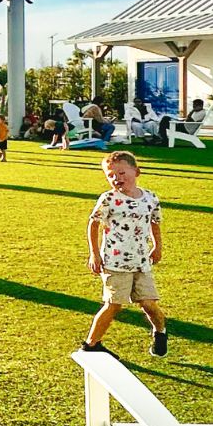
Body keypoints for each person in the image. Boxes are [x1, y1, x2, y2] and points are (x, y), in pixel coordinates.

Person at [83, 151, 168, 357]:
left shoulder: (150, 198)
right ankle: (91, 344)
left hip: (141, 260)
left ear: (136, 171)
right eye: (110, 175)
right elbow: (93, 224)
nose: (116, 178)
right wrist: (94, 254)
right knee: (113, 305)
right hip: (114, 261)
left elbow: (154, 222)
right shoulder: (109, 199)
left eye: (121, 173)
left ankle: (160, 332)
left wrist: (157, 246)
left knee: (149, 304)